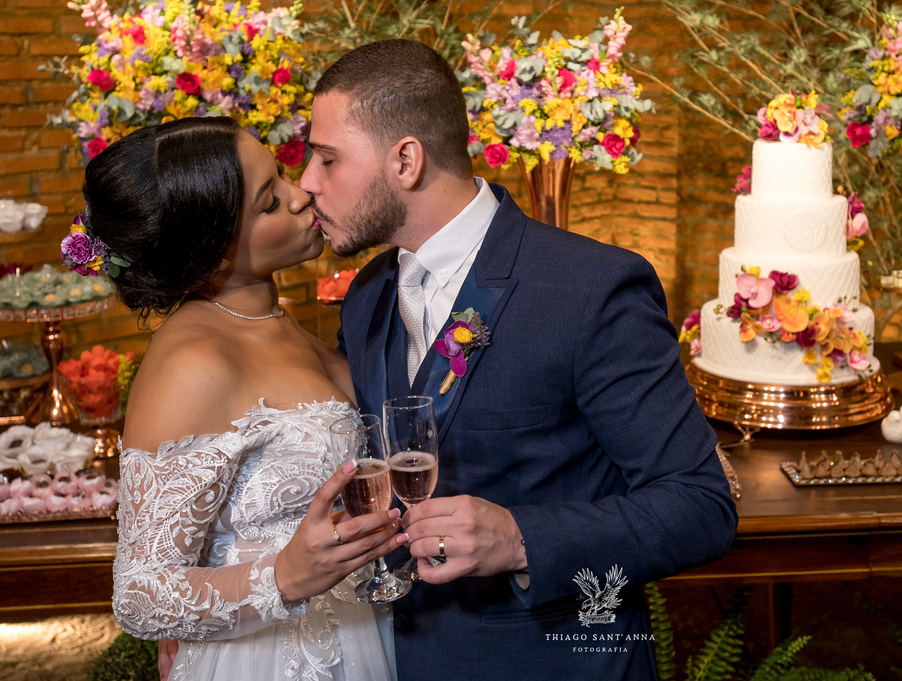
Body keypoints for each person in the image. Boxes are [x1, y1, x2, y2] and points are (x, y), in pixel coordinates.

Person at [301, 39, 738, 679]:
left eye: (327, 159)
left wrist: (522, 539)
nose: (308, 183)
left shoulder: (590, 288)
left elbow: (701, 507)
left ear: (405, 159)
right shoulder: (367, 296)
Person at [82, 117, 406, 680]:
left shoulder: (279, 321)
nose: (302, 193)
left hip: (362, 633)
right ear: (211, 252)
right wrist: (283, 576)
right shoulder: (194, 362)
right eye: (269, 203)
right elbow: (140, 592)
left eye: (280, 175)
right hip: (269, 658)